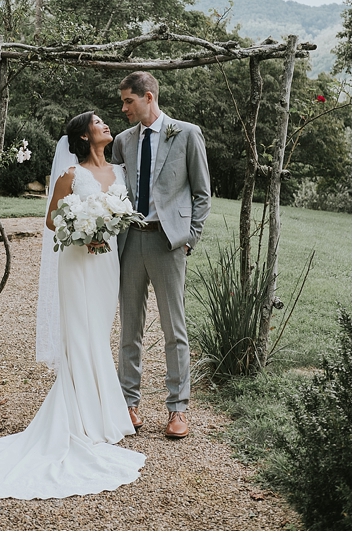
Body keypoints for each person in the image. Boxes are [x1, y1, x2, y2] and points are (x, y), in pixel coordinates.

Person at [0, 112, 145, 499]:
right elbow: (51, 221)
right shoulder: (70, 175)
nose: (106, 124)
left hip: (107, 261)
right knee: (79, 333)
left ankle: (103, 410)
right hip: (78, 262)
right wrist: (85, 232)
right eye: (98, 122)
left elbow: (123, 215)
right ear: (83, 134)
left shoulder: (121, 171)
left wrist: (106, 229)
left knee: (99, 332)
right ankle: (82, 417)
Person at [112, 71, 211, 438]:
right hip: (131, 241)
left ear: (148, 97)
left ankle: (177, 409)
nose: (123, 108)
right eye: (123, 101)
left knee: (174, 328)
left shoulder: (186, 134)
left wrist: (191, 236)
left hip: (169, 242)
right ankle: (128, 403)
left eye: (128, 101)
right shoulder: (123, 141)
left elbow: (202, 193)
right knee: (129, 329)